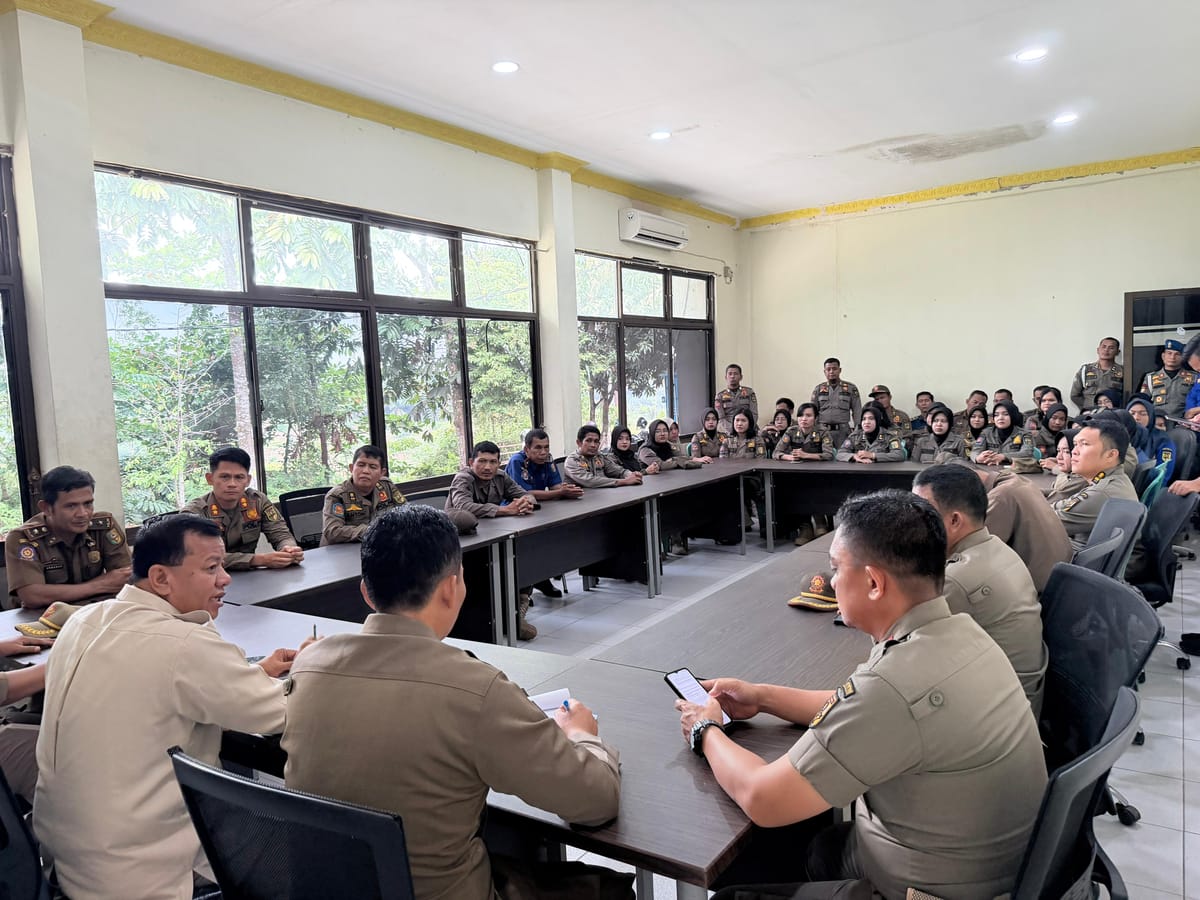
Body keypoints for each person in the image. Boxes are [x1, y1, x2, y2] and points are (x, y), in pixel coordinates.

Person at [678, 490, 1046, 900]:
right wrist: (763, 697)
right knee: (808, 837)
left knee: (740, 878)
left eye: (837, 568)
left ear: (873, 582)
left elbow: (761, 797)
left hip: (927, 889)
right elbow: (856, 709)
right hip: (979, 867)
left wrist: (707, 730)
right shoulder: (960, 633)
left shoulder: (894, 687)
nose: (832, 580)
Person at [283, 506, 627, 900]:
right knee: (606, 889)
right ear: (452, 587)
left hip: (329, 889)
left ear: (365, 591)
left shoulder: (308, 665)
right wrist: (582, 735)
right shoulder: (476, 689)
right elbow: (596, 803)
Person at [35, 514, 308, 900]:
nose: (225, 579)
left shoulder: (84, 620)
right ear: (161, 578)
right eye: (211, 568)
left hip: (67, 854)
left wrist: (252, 672)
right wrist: (315, 665)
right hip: (144, 873)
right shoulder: (182, 644)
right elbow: (284, 712)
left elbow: (158, 684)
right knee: (306, 852)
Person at [913, 466, 1048, 712]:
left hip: (998, 714)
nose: (913, 522)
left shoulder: (957, 581)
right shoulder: (995, 547)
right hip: (1017, 700)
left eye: (922, 513)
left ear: (954, 520)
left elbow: (902, 648)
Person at [5, 465, 131, 610]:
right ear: (46, 508)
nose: (83, 513)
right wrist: (100, 585)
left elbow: (127, 577)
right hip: (40, 617)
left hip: (93, 611)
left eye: (88, 503)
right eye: (71, 506)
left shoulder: (103, 526)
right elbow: (32, 596)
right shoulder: (23, 538)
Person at [447, 441, 538, 638]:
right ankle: (500, 618)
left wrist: (525, 503)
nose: (487, 467)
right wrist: (505, 510)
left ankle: (516, 611)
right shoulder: (463, 478)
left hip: (494, 533)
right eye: (482, 461)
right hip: (465, 543)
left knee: (524, 552)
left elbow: (525, 495)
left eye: (493, 462)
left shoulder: (500, 476)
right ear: (471, 462)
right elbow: (463, 506)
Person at [184, 447, 303, 571]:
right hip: (207, 577)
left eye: (239, 477)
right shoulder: (194, 513)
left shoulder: (257, 501)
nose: (232, 484)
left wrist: (289, 549)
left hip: (250, 576)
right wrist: (258, 560)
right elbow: (200, 557)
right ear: (210, 479)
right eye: (224, 477)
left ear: (248, 480)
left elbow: (281, 534)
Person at [506, 429, 585, 600]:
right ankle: (521, 591)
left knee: (553, 536)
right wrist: (559, 493)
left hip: (541, 510)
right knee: (527, 546)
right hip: (516, 512)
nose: (543, 452)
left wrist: (567, 490)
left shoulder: (548, 459)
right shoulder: (517, 461)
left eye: (546, 447)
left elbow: (556, 485)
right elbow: (524, 493)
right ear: (527, 449)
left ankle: (542, 579)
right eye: (538, 448)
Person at [1051, 419, 1139, 551]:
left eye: (1084, 444)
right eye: (1075, 444)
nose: (1074, 451)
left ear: (1110, 455)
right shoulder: (1107, 480)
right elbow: (1061, 506)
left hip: (1082, 561)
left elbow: (1044, 524)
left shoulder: (1102, 493)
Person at [320, 444, 407, 545]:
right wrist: (373, 530)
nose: (365, 471)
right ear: (351, 468)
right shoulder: (337, 495)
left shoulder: (386, 486)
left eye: (373, 467)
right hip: (342, 550)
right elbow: (332, 532)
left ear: (382, 473)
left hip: (380, 546)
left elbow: (407, 514)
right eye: (361, 465)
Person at [565, 425, 644, 488]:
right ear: (579, 443)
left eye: (596, 441)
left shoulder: (599, 457)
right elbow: (590, 481)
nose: (593, 445)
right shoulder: (572, 460)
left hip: (602, 496)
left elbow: (618, 471)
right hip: (580, 500)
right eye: (588, 441)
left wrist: (631, 474)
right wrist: (625, 481)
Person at [1140, 338, 1196, 420]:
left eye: (1177, 354)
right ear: (1163, 356)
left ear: (1183, 357)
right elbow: (1143, 402)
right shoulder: (1150, 378)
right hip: (1158, 422)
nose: (1172, 357)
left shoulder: (1194, 377)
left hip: (1184, 422)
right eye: (1169, 353)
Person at [811, 357, 861, 447]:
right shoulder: (818, 389)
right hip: (822, 431)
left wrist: (858, 431)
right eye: (828, 369)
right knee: (823, 454)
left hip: (843, 432)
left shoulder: (850, 388)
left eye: (834, 369)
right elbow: (812, 412)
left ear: (840, 370)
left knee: (843, 453)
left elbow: (857, 411)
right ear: (824, 372)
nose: (831, 372)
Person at [1127, 395, 1176, 480]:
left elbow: (1162, 475)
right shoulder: (1122, 436)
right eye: (1132, 413)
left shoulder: (1163, 440)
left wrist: (1137, 451)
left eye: (1143, 414)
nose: (1136, 418)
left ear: (1151, 416)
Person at [1071, 337, 1125, 413]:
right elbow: (1074, 395)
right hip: (1090, 413)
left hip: (1112, 414)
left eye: (1111, 348)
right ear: (1098, 350)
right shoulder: (1085, 370)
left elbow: (1126, 395)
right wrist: (1087, 407)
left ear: (1117, 352)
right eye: (1104, 347)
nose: (1106, 350)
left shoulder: (1123, 371)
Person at [835, 405, 905, 463]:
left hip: (882, 471)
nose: (867, 422)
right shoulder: (855, 436)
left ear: (877, 421)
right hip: (859, 471)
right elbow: (840, 454)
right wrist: (854, 456)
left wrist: (873, 455)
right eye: (864, 419)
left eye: (871, 418)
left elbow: (899, 455)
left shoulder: (889, 436)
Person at [971, 401, 1033, 465]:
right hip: (990, 468)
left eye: (1005, 414)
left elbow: (1027, 453)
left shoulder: (1024, 434)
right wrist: (978, 458)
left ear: (1013, 415)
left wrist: (1003, 457)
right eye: (996, 415)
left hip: (1015, 468)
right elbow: (975, 451)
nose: (1000, 418)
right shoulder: (986, 433)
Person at [714, 363, 758, 433]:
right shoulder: (720, 396)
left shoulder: (749, 392)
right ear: (726, 377)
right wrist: (734, 430)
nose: (732, 376)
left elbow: (754, 414)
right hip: (728, 431)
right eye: (730, 374)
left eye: (735, 374)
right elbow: (721, 418)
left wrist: (747, 428)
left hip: (748, 430)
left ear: (741, 377)